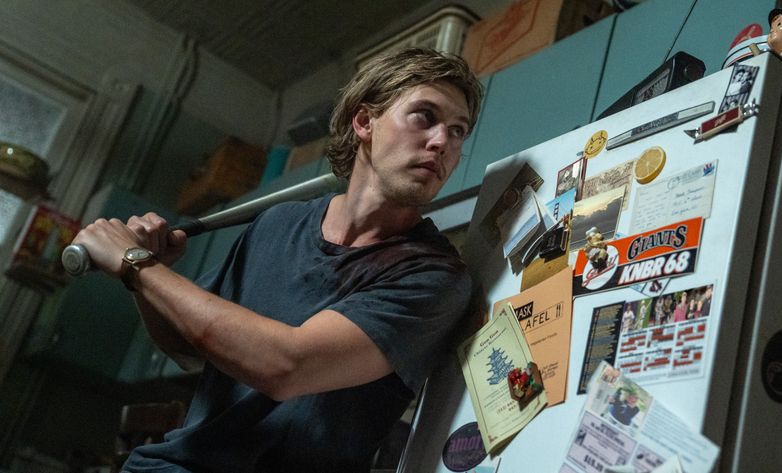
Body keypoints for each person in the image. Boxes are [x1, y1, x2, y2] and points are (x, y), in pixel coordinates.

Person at [70, 48, 483, 472]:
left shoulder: (433, 276)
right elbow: (185, 348)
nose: (442, 143)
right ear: (364, 122)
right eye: (424, 117)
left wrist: (137, 265)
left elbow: (287, 367)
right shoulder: (278, 223)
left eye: (458, 131)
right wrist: (146, 277)